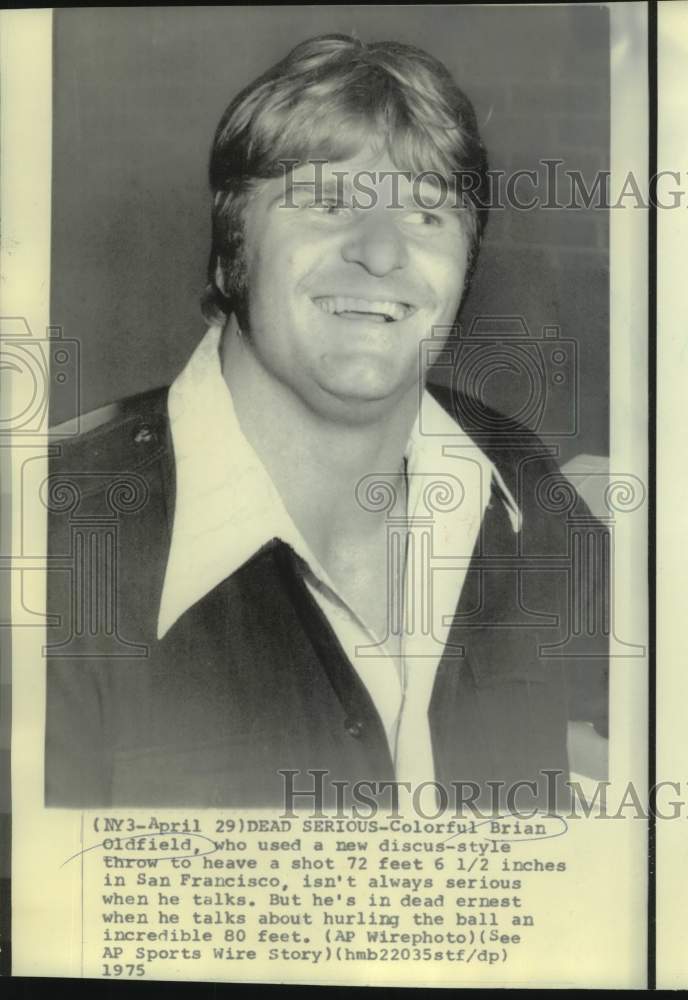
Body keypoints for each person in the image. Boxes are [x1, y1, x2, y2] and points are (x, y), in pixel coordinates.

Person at [44, 34, 608, 811]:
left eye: (426, 214)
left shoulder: (522, 483)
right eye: (325, 203)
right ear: (230, 252)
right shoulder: (54, 536)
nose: (381, 252)